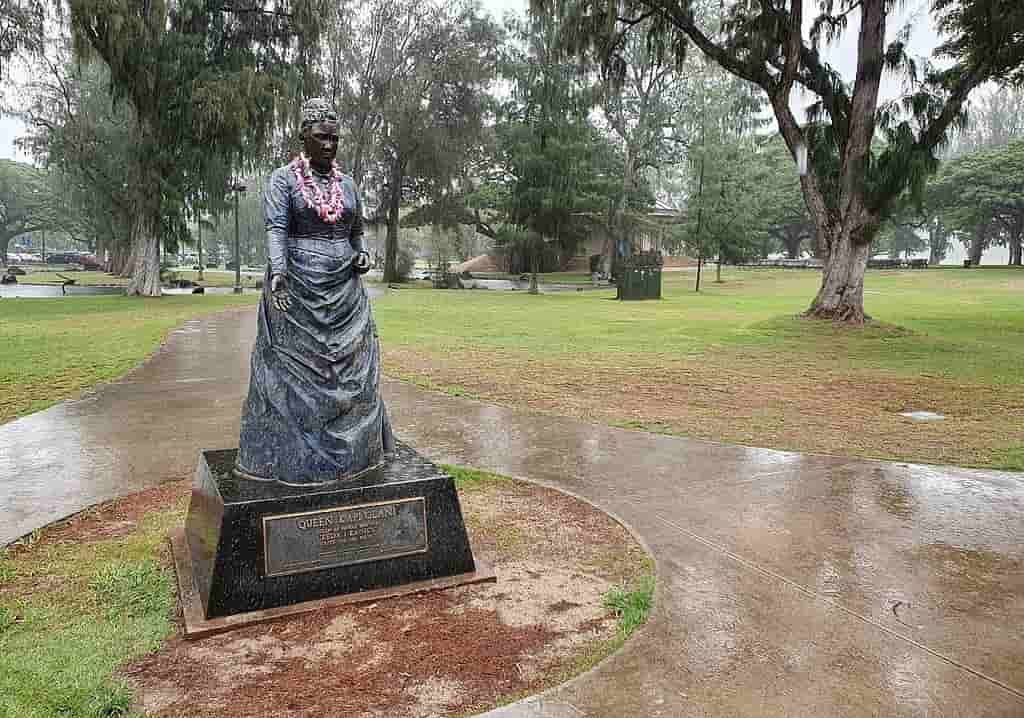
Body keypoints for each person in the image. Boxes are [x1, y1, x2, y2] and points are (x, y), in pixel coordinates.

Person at [235, 98, 394, 486]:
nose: (329, 145)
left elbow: (357, 233)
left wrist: (362, 255)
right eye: (322, 137)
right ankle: (296, 456)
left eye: (335, 138)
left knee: (352, 370)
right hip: (298, 289)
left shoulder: (348, 184)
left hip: (346, 291)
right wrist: (279, 273)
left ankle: (355, 454)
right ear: (303, 136)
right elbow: (276, 229)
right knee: (296, 375)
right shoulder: (283, 180)